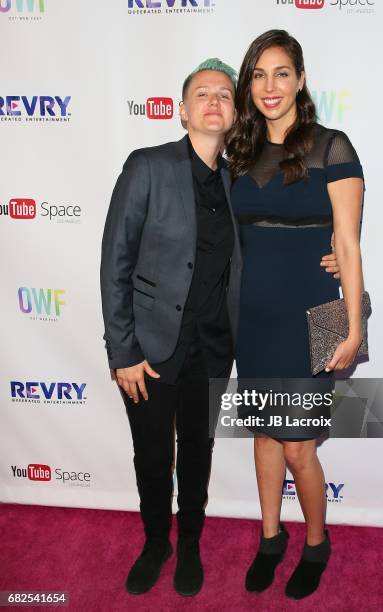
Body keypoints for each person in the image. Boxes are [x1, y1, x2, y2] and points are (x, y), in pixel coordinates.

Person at [100, 57, 340, 598]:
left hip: (216, 347)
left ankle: (188, 546)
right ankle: (155, 542)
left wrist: (336, 257)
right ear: (183, 111)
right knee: (154, 456)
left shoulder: (241, 181)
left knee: (199, 454)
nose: (214, 102)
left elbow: (287, 229)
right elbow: (115, 260)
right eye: (201, 94)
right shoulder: (147, 166)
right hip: (149, 349)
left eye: (225, 95)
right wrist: (122, 350)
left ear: (235, 114)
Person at [226, 30, 365, 600]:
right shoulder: (238, 152)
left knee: (298, 447)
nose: (270, 86)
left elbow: (350, 247)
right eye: (259, 74)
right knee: (263, 438)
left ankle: (315, 542)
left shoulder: (332, 147)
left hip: (318, 314)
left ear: (301, 80)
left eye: (282, 73)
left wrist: (353, 328)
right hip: (254, 316)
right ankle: (269, 537)